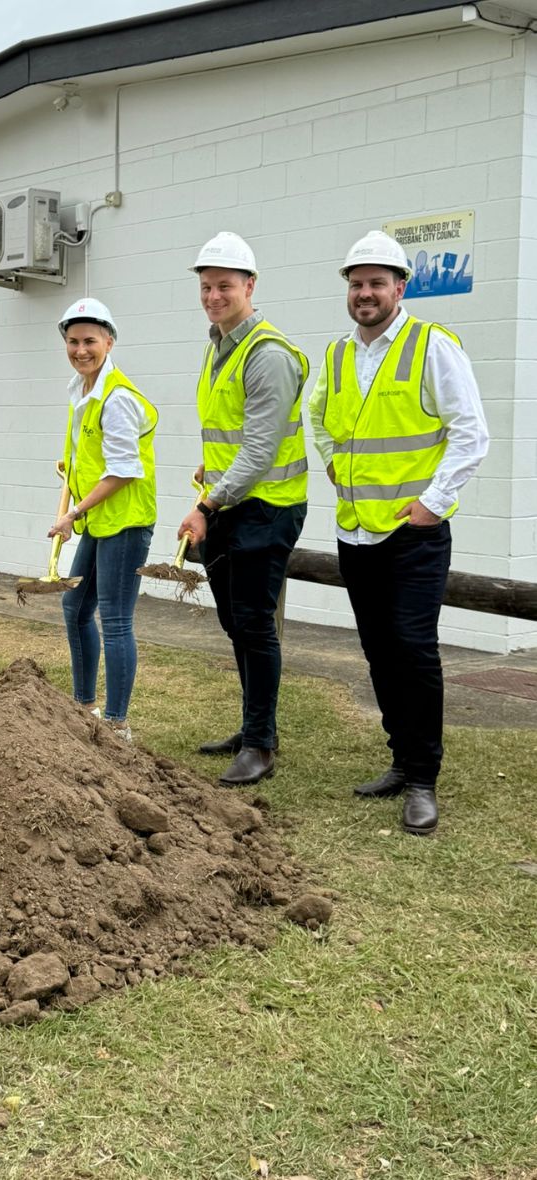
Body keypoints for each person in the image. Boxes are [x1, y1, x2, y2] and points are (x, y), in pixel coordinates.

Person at [309, 230, 488, 836]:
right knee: (380, 651)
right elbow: (320, 418)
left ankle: (422, 780)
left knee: (413, 650)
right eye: (356, 283)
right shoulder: (337, 355)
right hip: (356, 533)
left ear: (399, 287)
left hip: (412, 536)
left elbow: (472, 433)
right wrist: (332, 460)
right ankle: (399, 757)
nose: (365, 293)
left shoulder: (432, 346)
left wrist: (434, 505)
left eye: (376, 283)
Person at [178, 232, 309, 786]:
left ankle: (260, 744)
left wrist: (207, 501)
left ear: (250, 286)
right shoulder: (219, 345)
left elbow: (259, 450)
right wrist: (212, 477)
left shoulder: (268, 354)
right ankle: (255, 725)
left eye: (224, 286)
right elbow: (233, 438)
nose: (213, 296)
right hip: (232, 504)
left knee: (254, 624)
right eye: (206, 287)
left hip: (267, 508)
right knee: (237, 623)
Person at [49, 298, 157, 742]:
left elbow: (122, 470)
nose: (80, 349)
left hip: (126, 522)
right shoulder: (81, 391)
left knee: (114, 619)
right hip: (98, 520)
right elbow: (85, 461)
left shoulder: (117, 399)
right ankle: (84, 706)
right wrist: (72, 499)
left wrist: (74, 511)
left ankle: (116, 724)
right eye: (73, 341)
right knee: (75, 607)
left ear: (109, 342)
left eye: (90, 340)